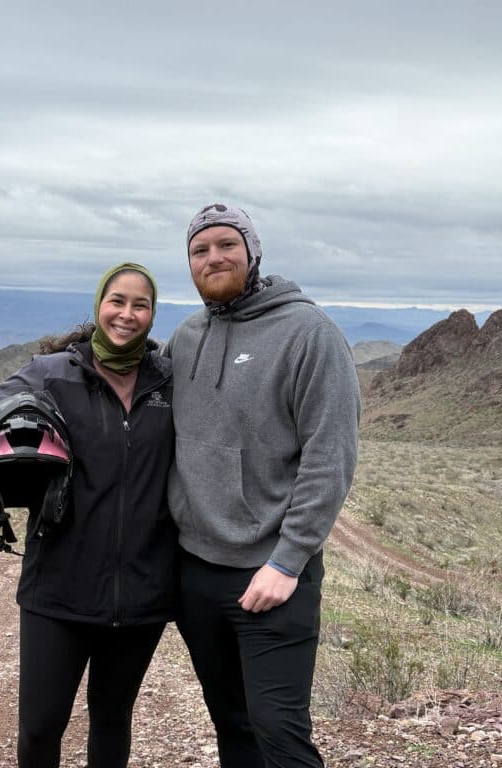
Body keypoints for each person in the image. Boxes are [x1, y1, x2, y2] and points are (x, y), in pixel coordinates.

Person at [0, 262, 176, 768]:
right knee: (42, 727)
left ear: (153, 314)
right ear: (98, 306)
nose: (127, 314)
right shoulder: (52, 374)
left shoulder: (170, 382)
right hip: (58, 588)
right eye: (118, 301)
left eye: (141, 304)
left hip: (142, 593)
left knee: (113, 721)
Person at [166, 204, 361, 768]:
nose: (213, 257)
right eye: (199, 250)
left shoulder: (309, 334)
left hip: (272, 576)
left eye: (227, 244)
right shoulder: (187, 335)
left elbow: (331, 457)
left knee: (280, 735)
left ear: (252, 252)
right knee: (231, 725)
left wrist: (288, 561)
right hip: (195, 571)